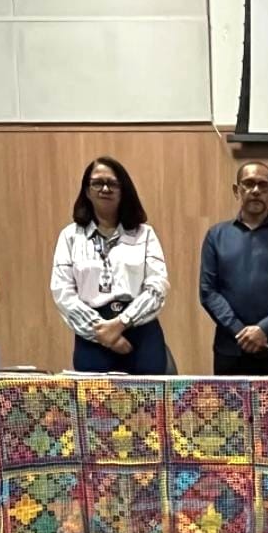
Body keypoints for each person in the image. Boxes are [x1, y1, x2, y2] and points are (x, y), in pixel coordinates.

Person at [50, 157, 169, 373]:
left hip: (140, 330)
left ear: (123, 190)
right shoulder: (70, 236)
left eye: (112, 183)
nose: (105, 189)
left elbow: (157, 287)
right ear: (87, 191)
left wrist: (121, 323)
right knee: (96, 396)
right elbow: (62, 292)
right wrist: (102, 333)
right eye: (97, 183)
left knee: (148, 395)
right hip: (92, 333)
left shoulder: (145, 234)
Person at [199, 161, 268, 375]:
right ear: (236, 190)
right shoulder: (216, 235)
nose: (256, 190)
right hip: (230, 347)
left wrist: (264, 329)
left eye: (263, 185)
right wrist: (240, 331)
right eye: (248, 184)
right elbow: (208, 291)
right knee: (229, 400)